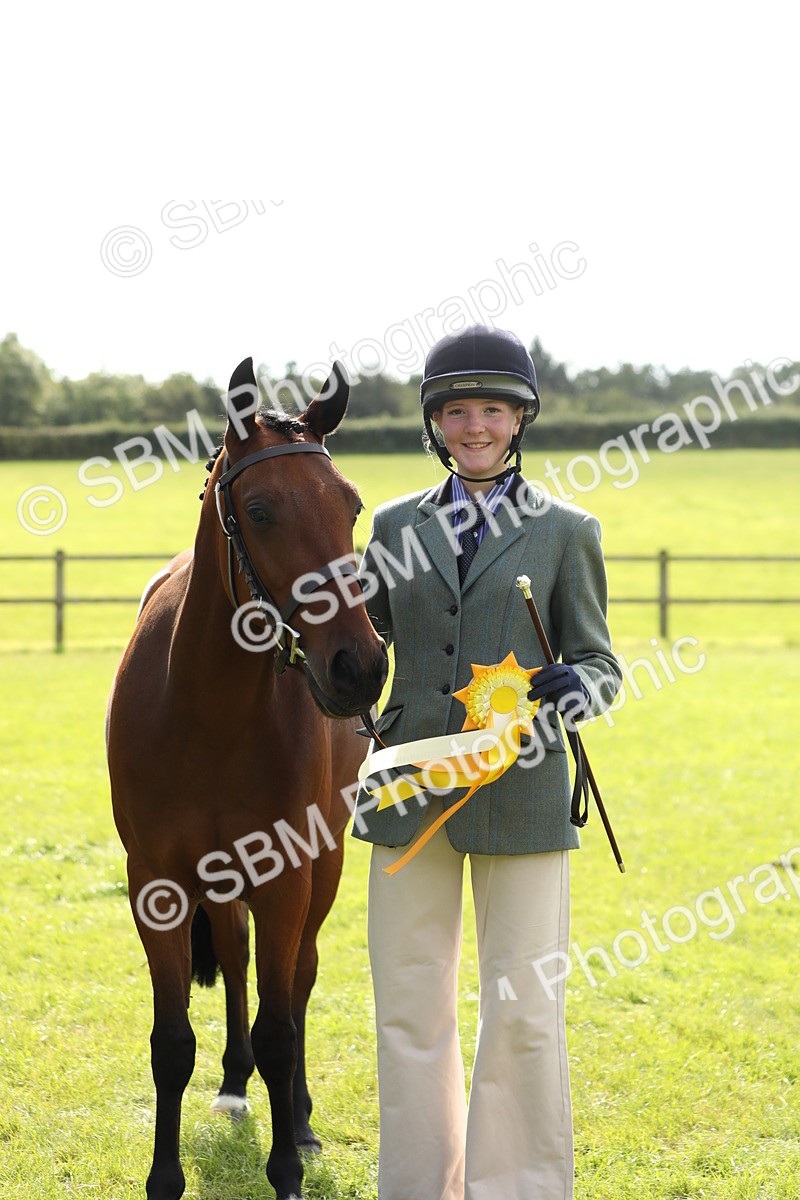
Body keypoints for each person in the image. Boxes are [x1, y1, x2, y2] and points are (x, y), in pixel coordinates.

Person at [353, 324, 622, 1200]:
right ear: (434, 423)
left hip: (524, 791)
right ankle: (417, 1185)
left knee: (526, 1009)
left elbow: (603, 665)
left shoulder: (566, 531)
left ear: (520, 421)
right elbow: (361, 644)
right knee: (406, 1002)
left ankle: (519, 1188)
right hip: (409, 785)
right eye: (457, 411)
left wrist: (570, 684)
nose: (475, 426)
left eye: (493, 410)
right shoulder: (392, 527)